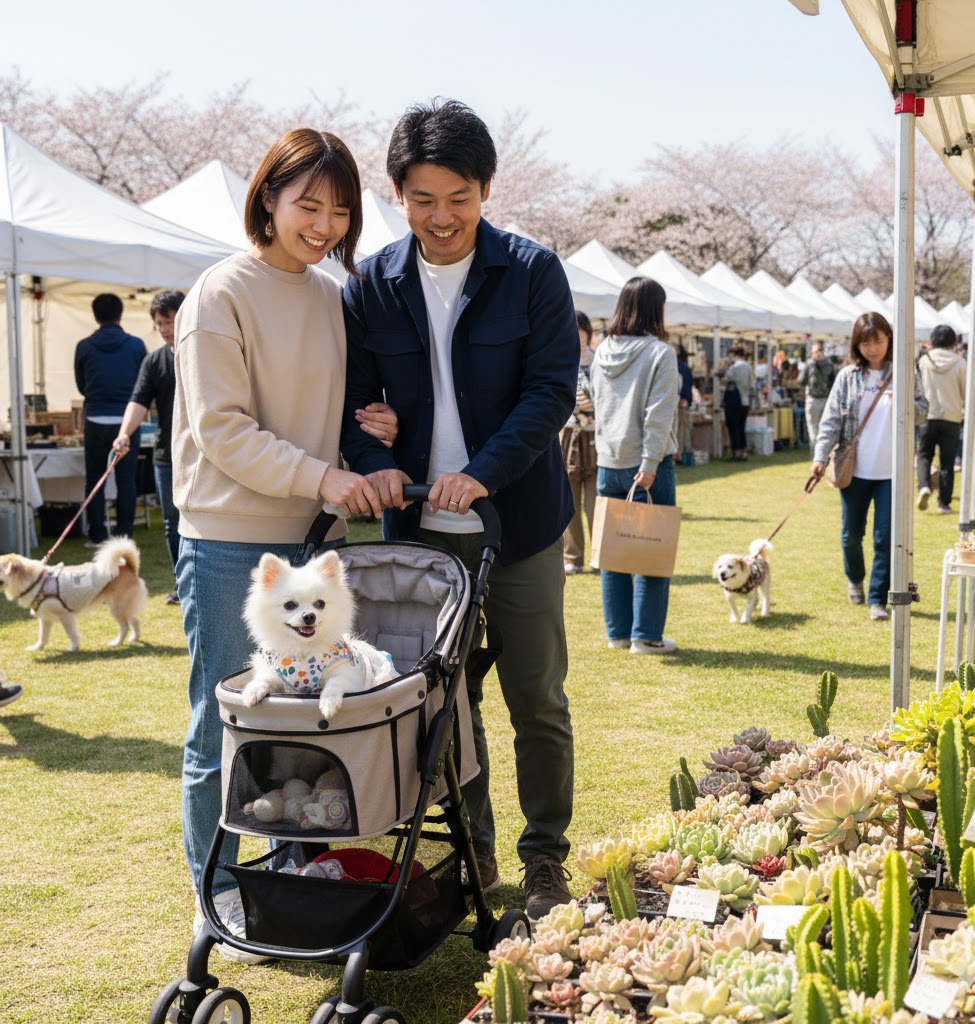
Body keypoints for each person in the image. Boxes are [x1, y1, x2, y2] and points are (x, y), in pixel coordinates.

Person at [340, 99, 577, 920]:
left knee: (537, 699)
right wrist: (375, 460)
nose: (441, 218)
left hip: (520, 526)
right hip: (417, 535)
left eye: (459, 198)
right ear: (397, 195)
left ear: (486, 191)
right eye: (422, 199)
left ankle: (545, 858)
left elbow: (550, 393)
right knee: (444, 705)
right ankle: (473, 852)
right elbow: (351, 405)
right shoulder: (370, 284)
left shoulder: (533, 271)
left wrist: (480, 474)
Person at [172, 128, 398, 962]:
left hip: (315, 542)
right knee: (227, 727)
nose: (325, 225)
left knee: (305, 725)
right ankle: (220, 895)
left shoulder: (336, 297)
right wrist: (325, 477)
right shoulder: (219, 293)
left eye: (340, 211)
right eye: (309, 204)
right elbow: (223, 430)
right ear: (267, 198)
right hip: (231, 542)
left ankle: (294, 878)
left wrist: (373, 429)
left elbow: (336, 412)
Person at [809, 312, 927, 622]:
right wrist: (820, 458)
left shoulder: (904, 373)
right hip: (855, 470)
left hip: (893, 472)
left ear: (889, 340)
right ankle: (855, 577)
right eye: (865, 343)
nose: (872, 348)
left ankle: (877, 598)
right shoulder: (847, 377)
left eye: (878, 341)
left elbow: (923, 410)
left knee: (885, 538)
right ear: (856, 345)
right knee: (851, 535)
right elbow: (831, 421)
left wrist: (904, 402)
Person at [590, 276, 679, 655]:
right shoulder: (660, 353)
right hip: (647, 465)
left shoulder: (602, 351)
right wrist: (650, 463)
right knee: (652, 549)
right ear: (655, 309)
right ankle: (646, 636)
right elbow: (658, 414)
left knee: (613, 552)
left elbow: (596, 401)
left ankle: (618, 634)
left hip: (608, 462)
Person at [113, 290, 186, 603]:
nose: (165, 329)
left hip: (205, 454)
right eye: (160, 323)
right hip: (166, 455)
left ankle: (199, 582)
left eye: (170, 321)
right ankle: (182, 583)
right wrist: (123, 434)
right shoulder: (154, 361)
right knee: (172, 522)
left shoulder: (204, 352)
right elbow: (138, 401)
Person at [74, 293, 147, 544]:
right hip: (128, 421)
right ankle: (124, 536)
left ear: (95, 316)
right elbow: (143, 386)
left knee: (95, 480)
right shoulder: (136, 345)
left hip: (95, 419)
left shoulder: (84, 346)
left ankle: (98, 535)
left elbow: (81, 385)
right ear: (121, 314)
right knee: (126, 481)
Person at [561, 311, 598, 574]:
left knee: (596, 502)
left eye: (580, 330)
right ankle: (572, 557)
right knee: (569, 502)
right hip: (567, 434)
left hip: (596, 436)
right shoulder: (561, 360)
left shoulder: (600, 362)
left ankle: (600, 555)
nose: (576, 336)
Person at [916, 323, 966, 515]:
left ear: (932, 340)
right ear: (953, 342)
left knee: (924, 455)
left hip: (927, 415)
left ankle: (924, 486)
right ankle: (943, 503)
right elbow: (965, 392)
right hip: (951, 416)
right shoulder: (960, 363)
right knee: (947, 461)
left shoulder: (924, 361)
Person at [799, 340, 837, 451]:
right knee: (825, 428)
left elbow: (801, 380)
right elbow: (834, 383)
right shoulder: (829, 365)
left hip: (813, 400)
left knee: (813, 429)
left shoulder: (809, 364)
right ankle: (825, 453)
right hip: (826, 400)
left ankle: (816, 454)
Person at [721, 342, 754, 460]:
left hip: (735, 400)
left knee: (732, 425)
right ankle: (743, 451)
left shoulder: (734, 367)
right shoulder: (749, 367)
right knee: (741, 427)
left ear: (734, 355)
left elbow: (725, 380)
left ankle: (736, 452)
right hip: (745, 401)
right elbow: (751, 383)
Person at [675, 347, 693, 462]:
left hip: (677, 401)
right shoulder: (684, 368)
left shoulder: (677, 367)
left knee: (679, 429)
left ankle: (679, 454)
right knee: (680, 429)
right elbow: (687, 385)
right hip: (680, 402)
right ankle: (680, 454)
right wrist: (686, 399)